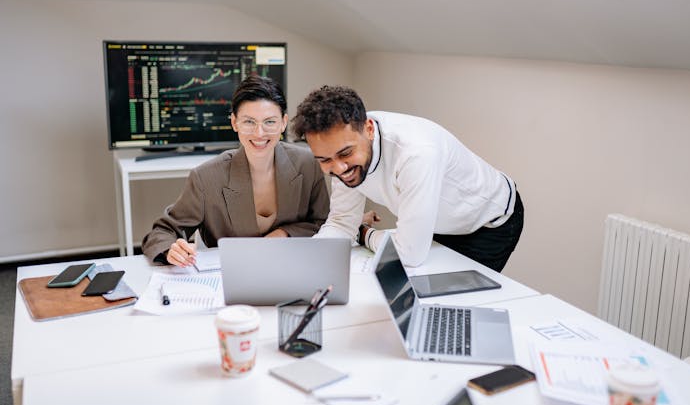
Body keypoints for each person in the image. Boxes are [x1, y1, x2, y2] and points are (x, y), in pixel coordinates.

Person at [293, 85, 523, 272]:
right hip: (437, 223)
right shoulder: (342, 150)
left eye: (346, 154)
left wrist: (364, 234)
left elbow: (409, 254)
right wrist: (310, 261)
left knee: (453, 305)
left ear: (369, 129)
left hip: (488, 223)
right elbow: (343, 222)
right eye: (324, 160)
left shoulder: (416, 153)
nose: (339, 168)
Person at [142, 75, 330, 267]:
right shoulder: (206, 177)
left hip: (294, 266)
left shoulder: (308, 164)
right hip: (231, 274)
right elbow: (163, 232)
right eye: (249, 122)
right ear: (234, 123)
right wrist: (171, 250)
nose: (259, 133)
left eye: (270, 122)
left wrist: (284, 233)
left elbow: (325, 223)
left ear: (283, 122)